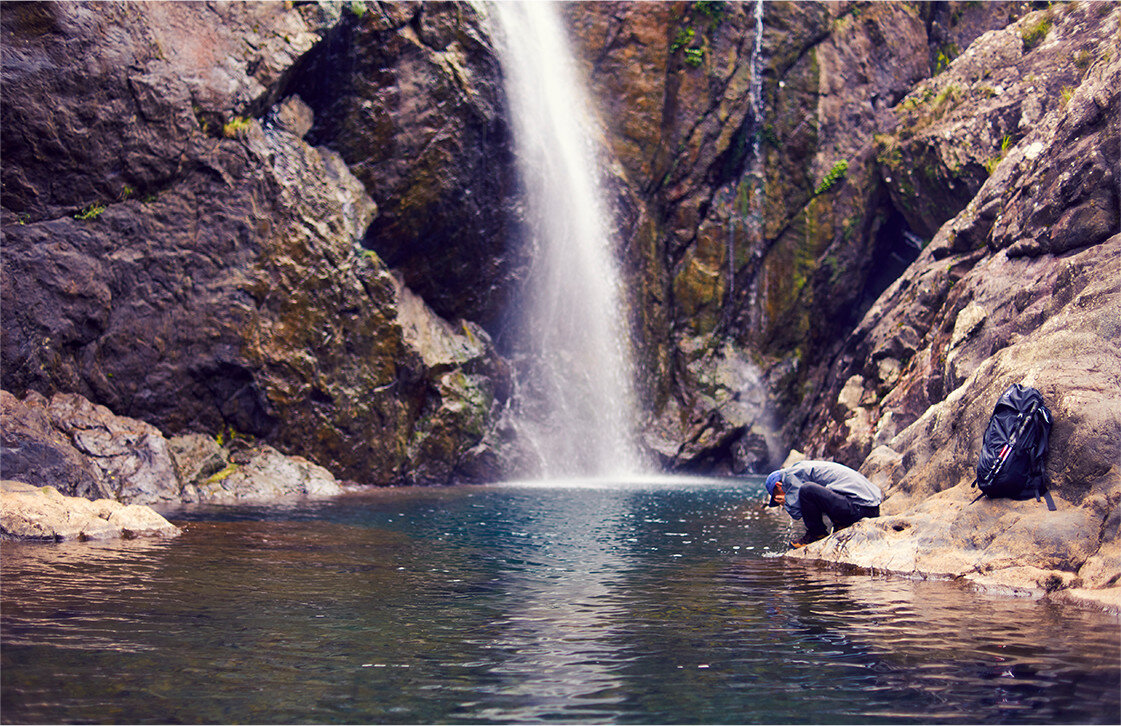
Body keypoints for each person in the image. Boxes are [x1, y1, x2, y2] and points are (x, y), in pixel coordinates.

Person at [765, 460, 883, 548]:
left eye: (776, 498)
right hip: (868, 507)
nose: (778, 503)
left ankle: (816, 534)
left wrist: (787, 501)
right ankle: (840, 523)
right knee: (813, 493)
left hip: (860, 508)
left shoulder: (790, 477)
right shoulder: (799, 470)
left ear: (778, 486)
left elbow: (797, 512)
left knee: (807, 490)